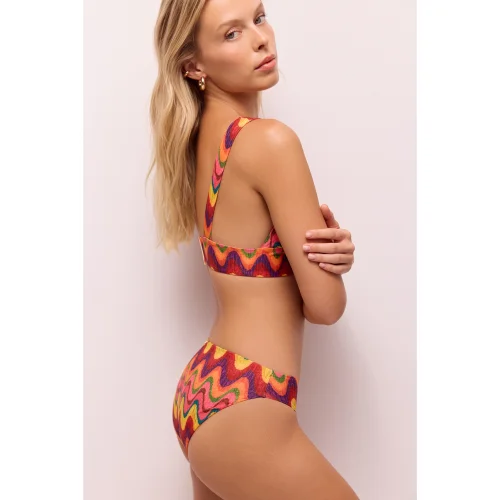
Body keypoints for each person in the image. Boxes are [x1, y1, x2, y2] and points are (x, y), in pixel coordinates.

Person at [148, 0, 358, 498]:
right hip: (249, 401)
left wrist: (322, 253)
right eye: (231, 33)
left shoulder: (201, 146)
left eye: (259, 18)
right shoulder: (270, 142)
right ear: (193, 65)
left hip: (205, 389)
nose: (261, 38)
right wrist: (332, 267)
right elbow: (326, 307)